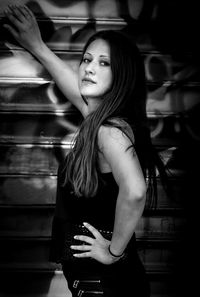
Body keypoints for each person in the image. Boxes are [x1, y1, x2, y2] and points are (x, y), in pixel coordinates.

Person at [4, 4, 167, 297]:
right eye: (87, 59)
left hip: (106, 286)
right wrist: (37, 46)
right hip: (102, 285)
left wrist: (113, 251)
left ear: (122, 75)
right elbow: (74, 89)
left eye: (104, 63)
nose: (89, 67)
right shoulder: (99, 122)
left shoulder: (108, 132)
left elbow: (135, 191)